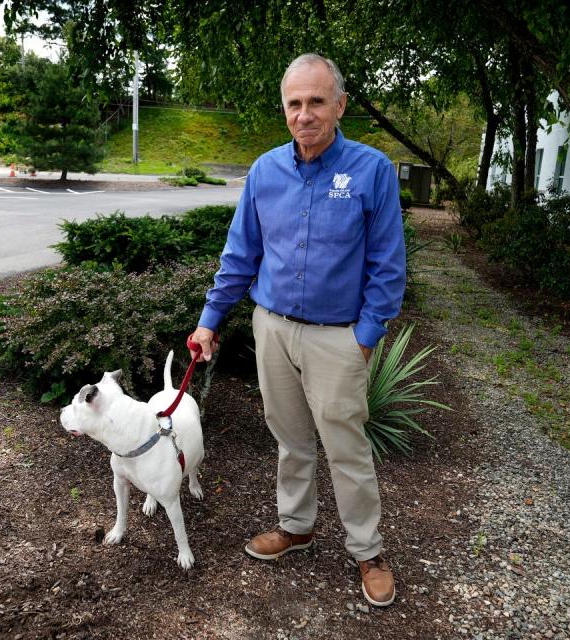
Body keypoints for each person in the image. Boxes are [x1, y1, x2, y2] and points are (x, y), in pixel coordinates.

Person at [189, 53, 406, 607]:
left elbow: (388, 265)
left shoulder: (371, 170)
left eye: (316, 101)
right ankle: (298, 526)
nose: (305, 114)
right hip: (274, 329)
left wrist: (365, 335)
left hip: (338, 336)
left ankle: (368, 550)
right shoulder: (265, 172)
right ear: (284, 109)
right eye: (294, 103)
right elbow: (241, 254)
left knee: (346, 447)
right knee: (289, 437)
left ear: (339, 105)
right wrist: (210, 320)